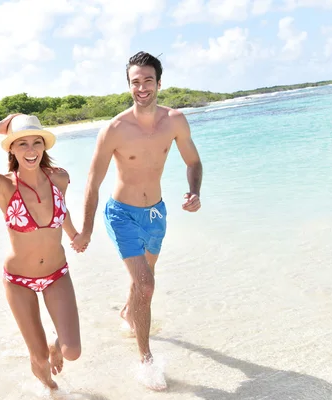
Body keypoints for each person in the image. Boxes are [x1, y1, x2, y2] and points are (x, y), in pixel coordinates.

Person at [72, 51, 203, 390]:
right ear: (128, 86)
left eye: (148, 80)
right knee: (145, 284)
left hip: (156, 213)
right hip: (122, 215)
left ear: (159, 83)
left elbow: (193, 161)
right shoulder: (114, 129)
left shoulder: (175, 121)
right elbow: (92, 181)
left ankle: (130, 313)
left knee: (144, 280)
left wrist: (194, 190)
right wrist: (86, 229)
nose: (142, 87)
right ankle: (146, 361)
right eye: (135, 82)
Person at [0, 114, 84, 391]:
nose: (30, 150)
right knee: (38, 358)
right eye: (21, 143)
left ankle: (56, 346)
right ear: (11, 148)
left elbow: (62, 210)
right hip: (19, 280)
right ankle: (52, 390)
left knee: (72, 351)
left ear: (44, 147)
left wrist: (74, 234)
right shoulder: (4, 186)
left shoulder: (59, 178)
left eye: (36, 142)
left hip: (57, 274)